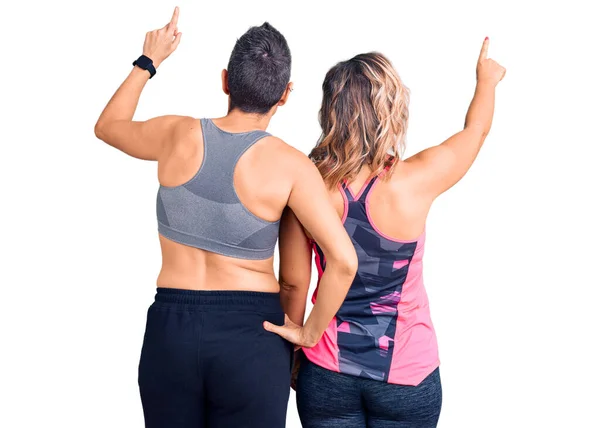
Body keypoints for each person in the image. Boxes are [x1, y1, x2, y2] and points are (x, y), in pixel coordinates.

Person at [94, 7, 357, 428]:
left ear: (225, 81)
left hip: (171, 331)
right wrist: (307, 335)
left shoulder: (175, 133)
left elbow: (108, 126)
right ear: (285, 94)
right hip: (252, 336)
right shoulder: (291, 166)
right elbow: (343, 261)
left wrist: (150, 60)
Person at [278, 39, 505, 427]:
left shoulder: (307, 186)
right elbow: (476, 131)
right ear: (391, 110)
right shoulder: (418, 178)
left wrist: (296, 351)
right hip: (407, 376)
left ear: (330, 112)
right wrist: (486, 81)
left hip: (328, 370)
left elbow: (293, 285)